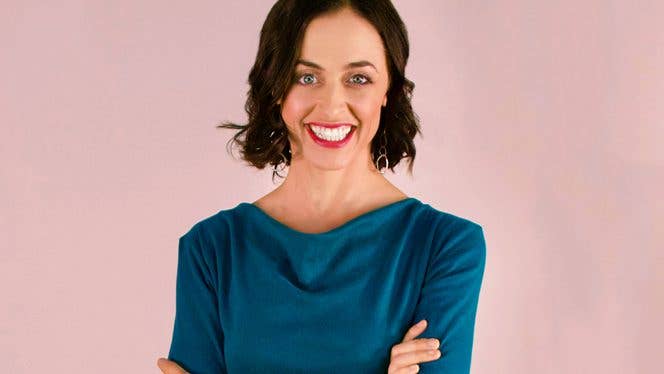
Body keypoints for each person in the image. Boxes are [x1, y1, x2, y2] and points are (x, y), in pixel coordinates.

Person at [157, 0, 486, 373]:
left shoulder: (446, 248)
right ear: (276, 87)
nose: (331, 105)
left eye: (358, 78)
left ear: (388, 91)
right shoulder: (213, 251)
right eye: (306, 78)